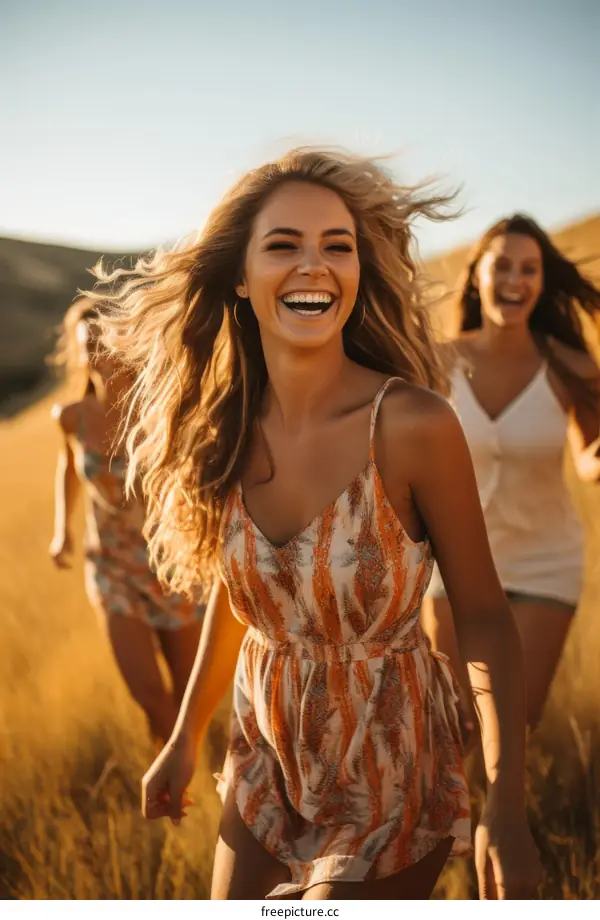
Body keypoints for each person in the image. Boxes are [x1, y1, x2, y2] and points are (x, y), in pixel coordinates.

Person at [94, 149, 541, 900]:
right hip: (265, 752)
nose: (315, 266)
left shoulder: (411, 425)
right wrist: (181, 739)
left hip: (390, 759)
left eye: (338, 246)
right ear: (240, 277)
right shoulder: (223, 431)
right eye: (283, 245)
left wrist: (507, 799)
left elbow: (486, 614)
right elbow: (243, 609)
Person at [423, 214, 600, 736]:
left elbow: (589, 455)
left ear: (542, 283)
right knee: (453, 725)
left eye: (529, 269)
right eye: (502, 267)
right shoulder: (437, 363)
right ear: (477, 274)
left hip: (545, 564)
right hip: (454, 564)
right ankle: (456, 818)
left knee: (514, 723)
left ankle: (498, 818)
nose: (514, 281)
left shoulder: (570, 365)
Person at [49, 298, 205, 745]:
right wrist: (63, 530)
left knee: (189, 697)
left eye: (104, 340)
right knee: (151, 697)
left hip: (173, 566)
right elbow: (67, 468)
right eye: (87, 345)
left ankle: (192, 786)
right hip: (111, 566)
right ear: (77, 353)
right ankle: (170, 793)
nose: (97, 352)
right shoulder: (72, 417)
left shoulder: (160, 409)